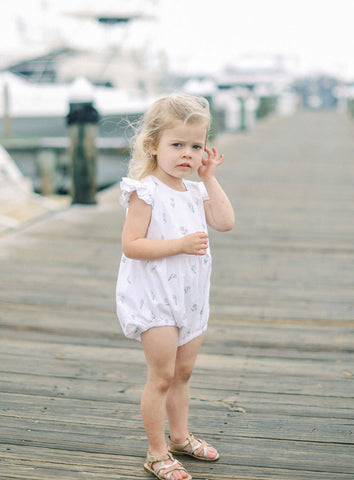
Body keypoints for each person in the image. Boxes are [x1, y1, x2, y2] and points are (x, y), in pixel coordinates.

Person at [116, 94, 234, 480]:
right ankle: (156, 451)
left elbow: (225, 221)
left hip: (191, 297)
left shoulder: (196, 190)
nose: (187, 154)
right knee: (162, 376)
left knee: (183, 373)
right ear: (153, 145)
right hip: (156, 300)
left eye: (196, 146)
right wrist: (179, 246)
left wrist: (210, 177)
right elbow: (132, 245)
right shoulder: (145, 191)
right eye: (177, 145)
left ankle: (180, 437)